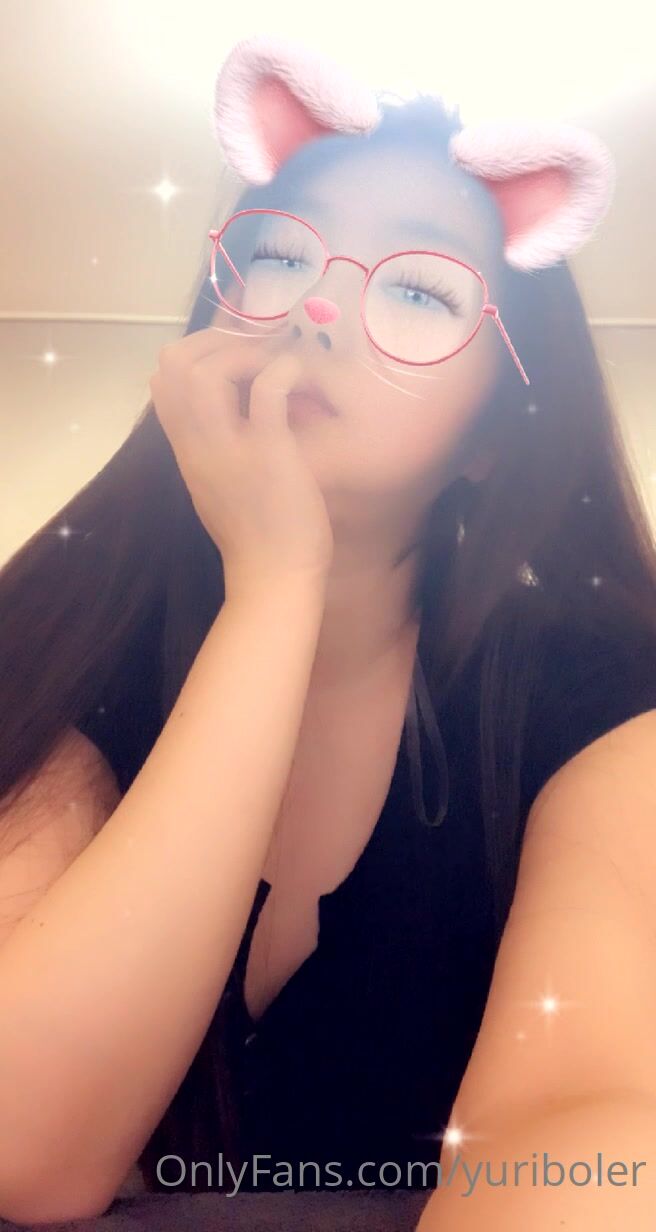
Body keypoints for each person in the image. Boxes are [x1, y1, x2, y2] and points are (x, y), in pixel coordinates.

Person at [0, 32, 655, 1226]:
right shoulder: (66, 631)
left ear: (491, 437)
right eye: (276, 254)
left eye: (417, 288)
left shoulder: (595, 683)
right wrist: (274, 586)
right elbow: (23, 1148)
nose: (316, 309)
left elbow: (589, 1124)